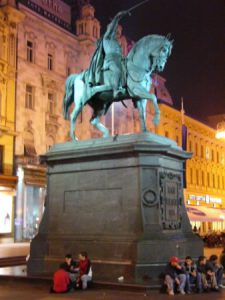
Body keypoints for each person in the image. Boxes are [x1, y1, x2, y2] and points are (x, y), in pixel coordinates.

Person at [87, 10, 130, 98]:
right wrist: (118, 17)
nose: (116, 34)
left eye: (117, 32)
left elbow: (121, 55)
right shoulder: (106, 38)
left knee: (126, 71)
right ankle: (115, 91)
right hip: (109, 61)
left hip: (117, 61)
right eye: (115, 31)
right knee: (117, 71)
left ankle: (123, 87)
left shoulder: (117, 43)